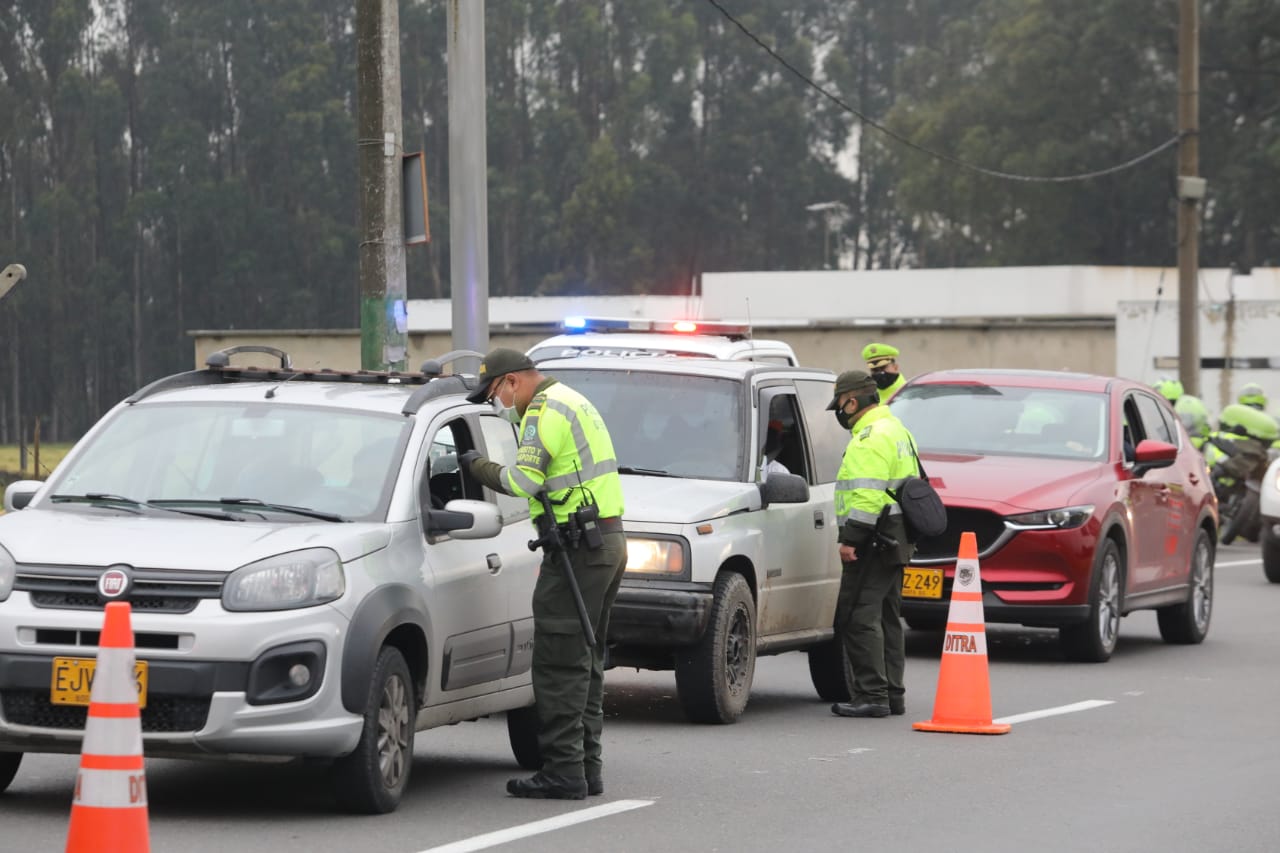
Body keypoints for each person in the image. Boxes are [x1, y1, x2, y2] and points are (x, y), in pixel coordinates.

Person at [459, 348, 627, 801]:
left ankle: (564, 771)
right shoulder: (573, 400)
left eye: (496, 392)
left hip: (578, 551)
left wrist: (473, 464)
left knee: (558, 662)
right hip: (603, 541)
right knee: (585, 659)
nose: (499, 403)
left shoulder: (543, 411)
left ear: (513, 381)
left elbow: (522, 482)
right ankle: (586, 767)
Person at [827, 369, 919, 719]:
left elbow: (867, 496)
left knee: (857, 617)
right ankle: (893, 694)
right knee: (887, 617)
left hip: (873, 539)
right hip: (896, 537)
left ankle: (872, 695)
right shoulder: (897, 428)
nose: (839, 411)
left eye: (839, 403)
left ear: (851, 400)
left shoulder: (869, 436)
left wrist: (852, 540)